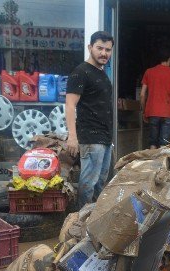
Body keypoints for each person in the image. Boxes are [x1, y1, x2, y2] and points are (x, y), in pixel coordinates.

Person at [65, 31, 114, 209]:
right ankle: (79, 223)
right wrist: (72, 136)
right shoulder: (81, 73)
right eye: (99, 48)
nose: (104, 53)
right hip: (91, 136)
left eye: (108, 50)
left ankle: (93, 222)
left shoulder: (101, 73)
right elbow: (70, 105)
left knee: (101, 183)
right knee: (88, 183)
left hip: (105, 137)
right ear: (90, 47)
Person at [140, 48, 170, 148]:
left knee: (153, 143)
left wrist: (144, 111)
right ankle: (162, 163)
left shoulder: (149, 72)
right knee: (164, 144)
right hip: (167, 113)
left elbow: (142, 94)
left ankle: (152, 163)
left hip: (152, 112)